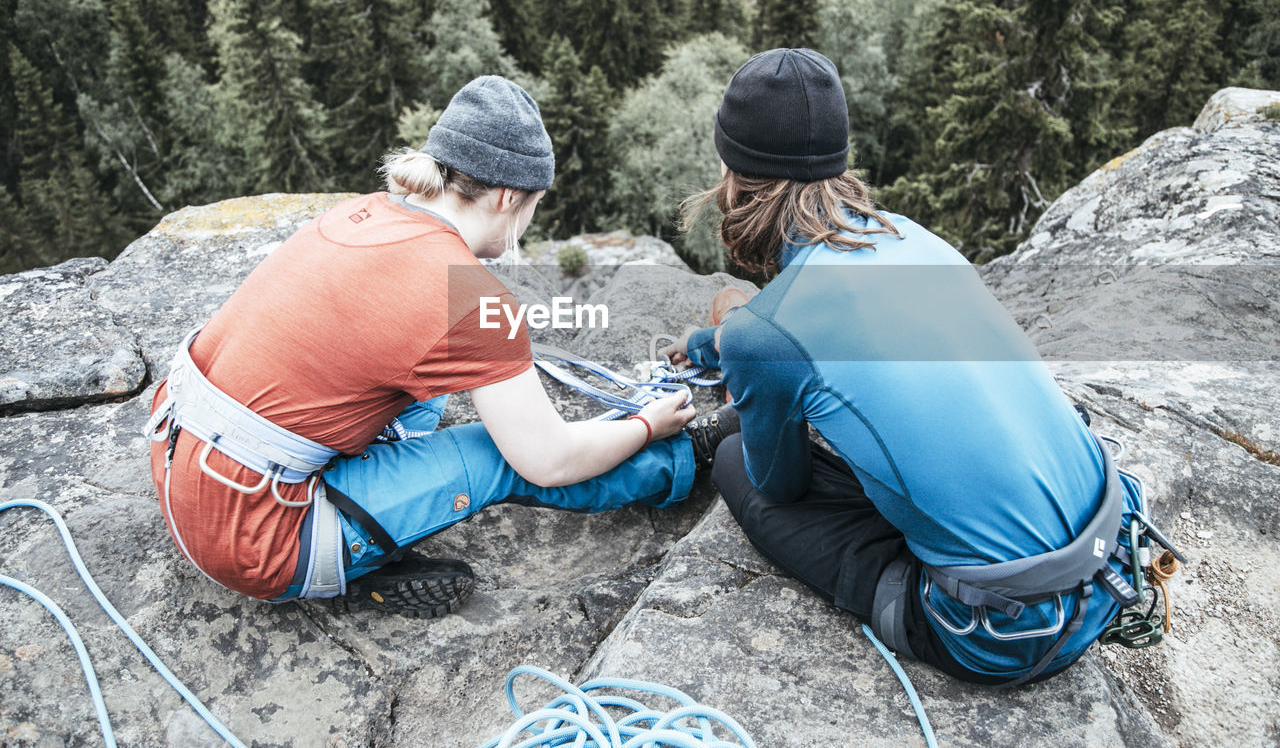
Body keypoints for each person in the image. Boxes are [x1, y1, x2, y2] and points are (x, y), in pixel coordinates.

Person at [147, 76, 734, 616]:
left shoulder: (358, 213)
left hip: (187, 465)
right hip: (260, 535)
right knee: (501, 454)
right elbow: (549, 459)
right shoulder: (470, 301)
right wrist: (643, 426)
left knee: (435, 392)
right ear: (509, 198)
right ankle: (687, 458)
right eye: (535, 205)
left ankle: (371, 528)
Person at [662, 48, 1149, 685]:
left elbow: (780, 486)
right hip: (1111, 552)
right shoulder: (907, 236)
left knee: (733, 458)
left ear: (733, 174)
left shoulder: (766, 335)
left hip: (1006, 633)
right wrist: (723, 339)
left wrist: (741, 355)